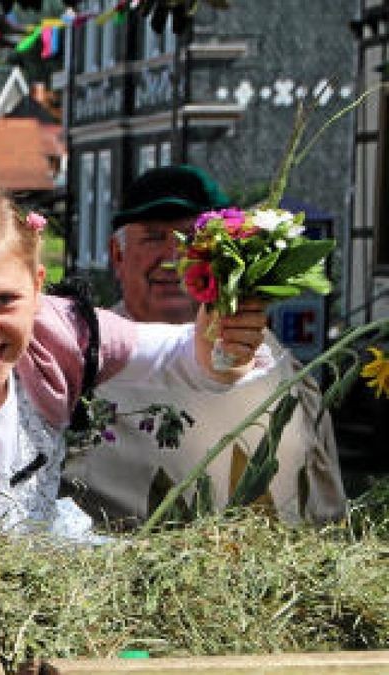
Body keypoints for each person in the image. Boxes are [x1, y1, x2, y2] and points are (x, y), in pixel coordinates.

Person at [0, 181, 271, 533]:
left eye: (3, 300)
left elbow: (173, 353)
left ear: (37, 289)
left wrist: (220, 344)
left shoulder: (55, 330)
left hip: (49, 551)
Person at [61, 165, 346, 526]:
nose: (172, 257)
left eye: (191, 241)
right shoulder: (84, 354)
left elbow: (321, 498)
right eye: (152, 238)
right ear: (117, 254)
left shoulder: (274, 365)